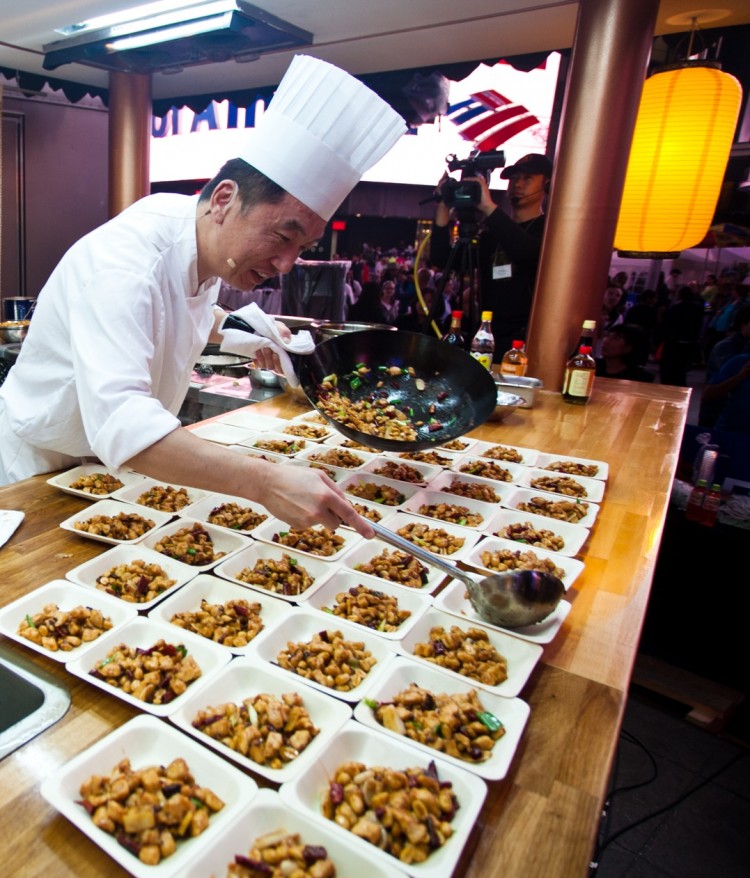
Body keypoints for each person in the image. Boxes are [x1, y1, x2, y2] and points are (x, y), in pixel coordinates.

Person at [0, 55, 406, 535]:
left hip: (110, 468)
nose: (287, 264)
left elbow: (183, 311)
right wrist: (265, 482)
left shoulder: (197, 234)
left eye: (304, 247)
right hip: (41, 470)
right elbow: (124, 419)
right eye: (283, 236)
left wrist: (255, 337)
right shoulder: (123, 264)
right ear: (224, 200)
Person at [429, 152, 551, 359]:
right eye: (513, 179)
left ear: (547, 186)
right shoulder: (491, 232)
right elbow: (442, 258)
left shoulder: (548, 230)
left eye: (527, 178)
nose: (517, 185)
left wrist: (488, 207)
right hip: (486, 332)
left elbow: (526, 253)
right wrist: (442, 208)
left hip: (524, 337)